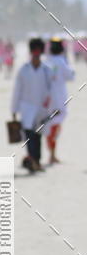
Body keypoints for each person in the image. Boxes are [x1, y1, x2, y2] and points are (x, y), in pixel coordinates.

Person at [11, 37, 53, 173]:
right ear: (31, 53)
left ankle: (37, 161)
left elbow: (51, 90)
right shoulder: (23, 70)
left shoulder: (47, 70)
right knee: (29, 136)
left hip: (42, 109)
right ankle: (33, 161)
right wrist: (14, 109)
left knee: (38, 135)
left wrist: (52, 108)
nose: (36, 55)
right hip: (26, 108)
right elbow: (17, 90)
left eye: (38, 52)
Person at [44, 37, 75, 165]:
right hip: (59, 98)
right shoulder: (61, 62)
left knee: (50, 125)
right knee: (55, 126)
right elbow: (70, 76)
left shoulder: (46, 62)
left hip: (47, 99)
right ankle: (52, 154)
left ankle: (51, 153)